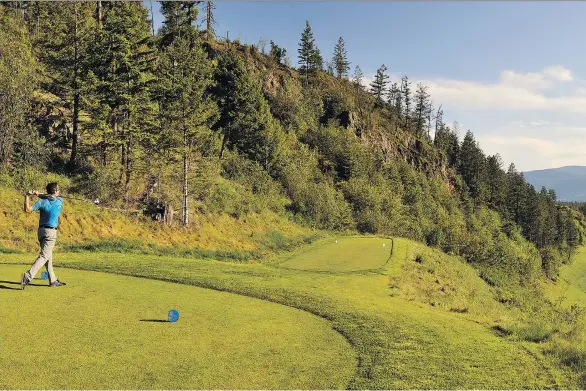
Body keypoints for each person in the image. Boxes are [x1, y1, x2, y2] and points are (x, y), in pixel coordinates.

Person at [20, 182, 66, 290]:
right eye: (58, 189)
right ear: (54, 191)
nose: (59, 191)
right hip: (51, 233)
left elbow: (27, 210)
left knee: (48, 257)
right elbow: (50, 196)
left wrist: (28, 195)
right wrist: (38, 194)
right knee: (44, 256)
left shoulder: (42, 202)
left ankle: (53, 280)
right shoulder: (60, 200)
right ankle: (28, 276)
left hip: (41, 232)